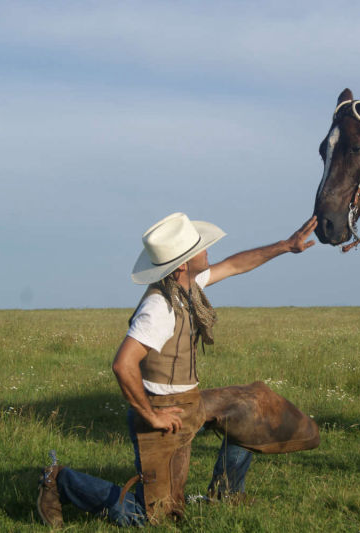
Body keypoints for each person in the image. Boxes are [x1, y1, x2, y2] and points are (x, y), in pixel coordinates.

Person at [37, 212, 319, 527]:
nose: (206, 250)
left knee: (250, 411)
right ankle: (59, 481)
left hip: (191, 401)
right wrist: (153, 416)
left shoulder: (187, 284)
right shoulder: (158, 308)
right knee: (149, 516)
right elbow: (123, 364)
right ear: (182, 264)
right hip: (163, 413)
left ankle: (226, 493)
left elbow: (236, 264)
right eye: (198, 247)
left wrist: (285, 245)